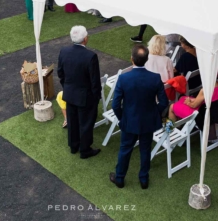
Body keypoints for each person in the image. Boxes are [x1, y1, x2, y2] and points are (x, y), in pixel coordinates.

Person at [109, 44, 168, 189]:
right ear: (147, 59)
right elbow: (164, 102)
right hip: (148, 121)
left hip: (129, 121)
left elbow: (115, 105)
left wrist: (123, 118)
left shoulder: (123, 78)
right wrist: (155, 113)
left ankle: (120, 178)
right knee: (145, 149)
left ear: (131, 59)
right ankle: (143, 179)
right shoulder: (155, 78)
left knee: (125, 149)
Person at [57, 26, 102, 159]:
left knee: (72, 121)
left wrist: (67, 87)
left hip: (70, 94)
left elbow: (60, 73)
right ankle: (85, 150)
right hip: (85, 97)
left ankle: (73, 146)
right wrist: (96, 97)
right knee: (86, 124)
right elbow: (95, 81)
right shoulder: (90, 56)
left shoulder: (64, 51)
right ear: (85, 39)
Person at [145, 35, 174, 99]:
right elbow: (171, 78)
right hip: (164, 91)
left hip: (148, 90)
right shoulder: (167, 60)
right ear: (163, 46)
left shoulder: (145, 58)